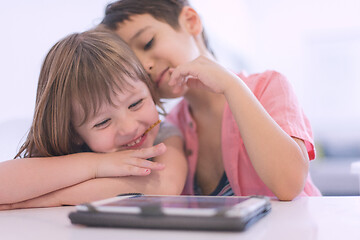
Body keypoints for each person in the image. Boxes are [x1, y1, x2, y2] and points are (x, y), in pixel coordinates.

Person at [100, 0, 321, 200]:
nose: (146, 66)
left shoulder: (269, 86)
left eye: (148, 43)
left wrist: (231, 86)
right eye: (135, 66)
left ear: (190, 21)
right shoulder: (171, 129)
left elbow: (289, 185)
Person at [0, 29, 187, 210]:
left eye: (136, 103)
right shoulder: (69, 152)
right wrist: (96, 165)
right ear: (72, 133)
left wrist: (55, 197)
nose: (129, 128)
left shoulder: (165, 134)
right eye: (102, 122)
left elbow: (165, 188)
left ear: (150, 91)